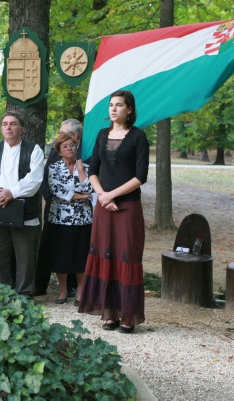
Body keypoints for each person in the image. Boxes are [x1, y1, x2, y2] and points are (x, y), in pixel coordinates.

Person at [78, 90, 149, 334]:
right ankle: (109, 314)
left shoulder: (138, 136)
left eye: (119, 105)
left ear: (129, 109)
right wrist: (102, 196)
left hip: (127, 207)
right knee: (104, 255)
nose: (113, 109)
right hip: (104, 208)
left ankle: (128, 317)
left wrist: (111, 195)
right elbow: (92, 171)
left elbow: (141, 176)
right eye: (111, 105)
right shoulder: (101, 135)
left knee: (126, 256)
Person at [0, 111, 44, 298]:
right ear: (1, 129)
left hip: (24, 209)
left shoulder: (34, 150)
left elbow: (35, 179)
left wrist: (12, 192)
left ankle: (25, 295)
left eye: (13, 124)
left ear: (22, 129)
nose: (8, 127)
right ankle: (2, 294)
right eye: (5, 124)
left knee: (25, 256)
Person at [35, 118, 83, 297]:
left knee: (74, 246)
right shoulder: (56, 152)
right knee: (48, 246)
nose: (59, 136)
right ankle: (40, 285)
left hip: (79, 212)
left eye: (62, 133)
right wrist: (52, 199)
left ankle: (72, 286)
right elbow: (45, 179)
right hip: (55, 208)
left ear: (74, 136)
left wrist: (78, 199)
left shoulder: (87, 153)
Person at [47, 132, 93, 305]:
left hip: (83, 219)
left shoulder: (86, 167)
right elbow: (57, 191)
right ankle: (62, 290)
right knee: (62, 255)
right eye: (65, 146)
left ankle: (81, 290)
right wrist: (82, 196)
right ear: (59, 151)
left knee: (81, 255)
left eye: (72, 145)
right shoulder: (54, 168)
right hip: (60, 219)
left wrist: (80, 171)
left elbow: (90, 188)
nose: (69, 149)